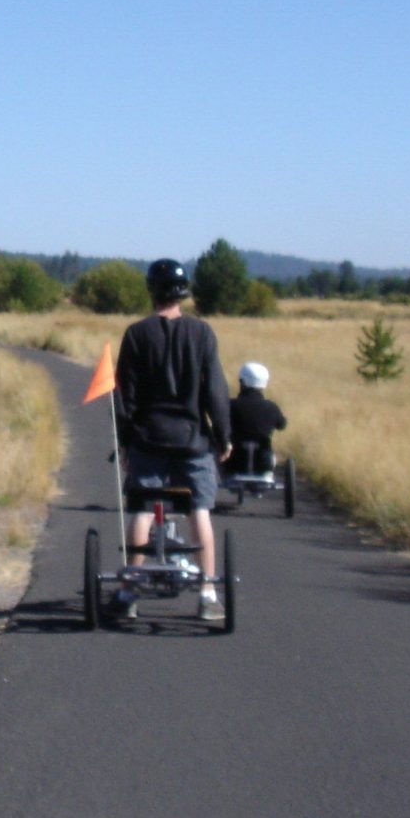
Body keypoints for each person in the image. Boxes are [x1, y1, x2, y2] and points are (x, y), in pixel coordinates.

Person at [113, 258, 232, 620]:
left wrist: (125, 440)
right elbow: (215, 390)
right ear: (184, 293)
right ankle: (208, 592)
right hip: (192, 440)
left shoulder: (136, 334)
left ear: (152, 292)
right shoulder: (202, 334)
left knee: (142, 509)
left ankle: (130, 589)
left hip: (148, 439)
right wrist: (224, 435)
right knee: (199, 509)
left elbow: (124, 396)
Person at [229, 361, 288, 477]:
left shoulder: (230, 405)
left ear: (242, 382)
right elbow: (282, 425)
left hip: (233, 463)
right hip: (263, 464)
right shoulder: (271, 407)